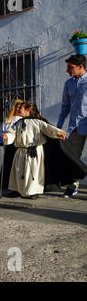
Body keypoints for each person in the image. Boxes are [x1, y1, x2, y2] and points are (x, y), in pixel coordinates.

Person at [3, 102, 66, 199]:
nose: (18, 109)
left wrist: (58, 133)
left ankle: (33, 191)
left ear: (27, 110)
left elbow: (49, 129)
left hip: (34, 152)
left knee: (33, 172)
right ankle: (17, 190)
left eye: (21, 108)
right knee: (18, 171)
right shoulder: (18, 123)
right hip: (21, 151)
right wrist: (7, 136)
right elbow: (12, 134)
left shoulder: (38, 122)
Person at [57, 54, 87, 198]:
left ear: (80, 67)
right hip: (75, 127)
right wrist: (58, 127)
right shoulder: (68, 84)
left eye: (71, 67)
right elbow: (65, 107)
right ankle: (71, 187)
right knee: (72, 157)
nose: (67, 70)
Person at [0, 99, 23, 196]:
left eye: (21, 106)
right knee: (9, 165)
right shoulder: (9, 119)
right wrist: (2, 139)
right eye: (17, 106)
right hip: (10, 145)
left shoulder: (24, 119)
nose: (19, 108)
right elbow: (3, 131)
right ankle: (8, 185)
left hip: (20, 146)